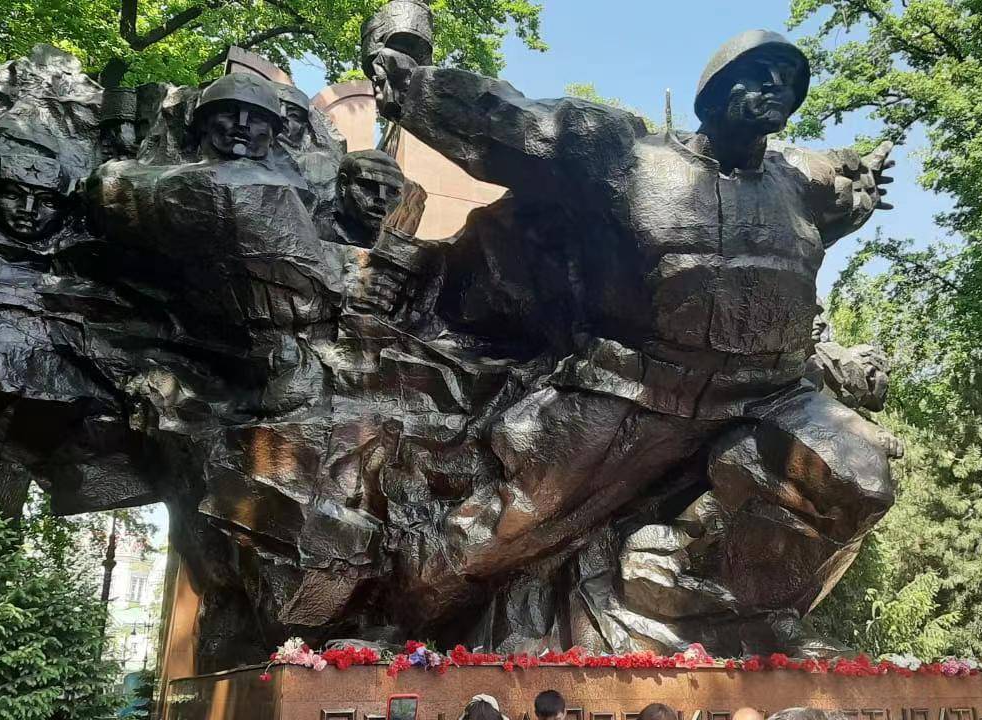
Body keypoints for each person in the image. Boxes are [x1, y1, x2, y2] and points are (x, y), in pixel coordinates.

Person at [367, 18, 898, 653]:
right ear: (712, 93)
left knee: (857, 477)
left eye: (789, 82)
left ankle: (700, 593)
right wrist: (410, 83)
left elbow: (843, 190)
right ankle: (390, 630)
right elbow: (509, 123)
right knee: (499, 534)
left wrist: (863, 182)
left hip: (771, 394)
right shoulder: (628, 157)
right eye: (760, 75)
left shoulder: (799, 184)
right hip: (637, 389)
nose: (776, 88)